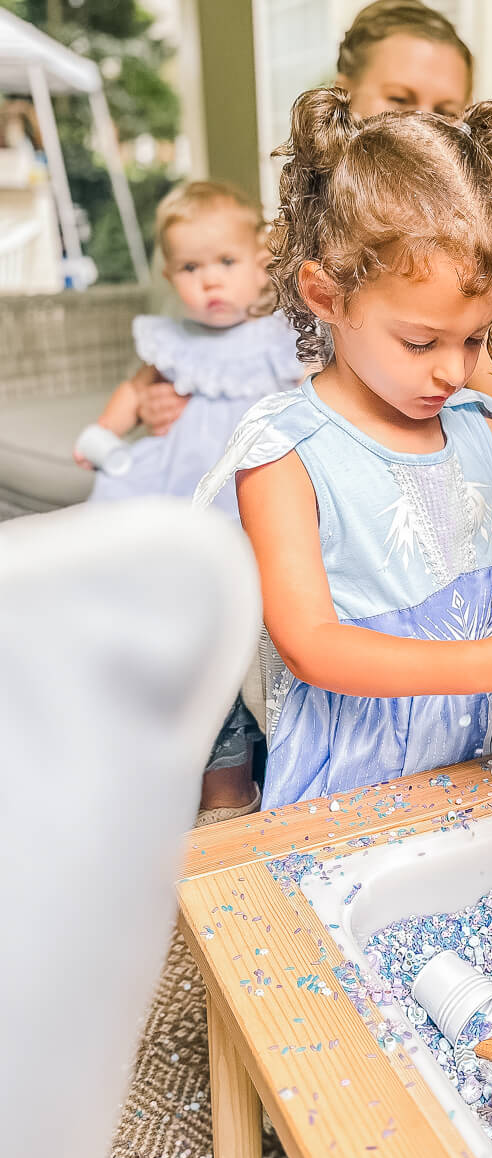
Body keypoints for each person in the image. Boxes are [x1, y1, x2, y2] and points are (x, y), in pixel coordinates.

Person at [196, 89, 492, 810]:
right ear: (327, 296)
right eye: (419, 342)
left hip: (487, 736)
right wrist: (479, 662)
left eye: (474, 338)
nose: (452, 369)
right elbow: (313, 645)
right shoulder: (286, 454)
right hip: (360, 762)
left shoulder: (482, 431)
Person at [78, 179, 305, 825]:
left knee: (237, 609)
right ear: (168, 272)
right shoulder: (172, 341)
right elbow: (137, 387)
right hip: (181, 487)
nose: (209, 282)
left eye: (226, 264)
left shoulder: (275, 338)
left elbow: (310, 392)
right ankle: (167, 762)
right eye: (189, 267)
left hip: (245, 490)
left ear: (262, 262)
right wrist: (105, 429)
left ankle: (235, 772)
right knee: (154, 593)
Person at [334, 0, 492, 409]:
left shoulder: (472, 273)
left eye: (446, 110)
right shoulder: (271, 253)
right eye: (399, 99)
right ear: (343, 97)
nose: (421, 121)